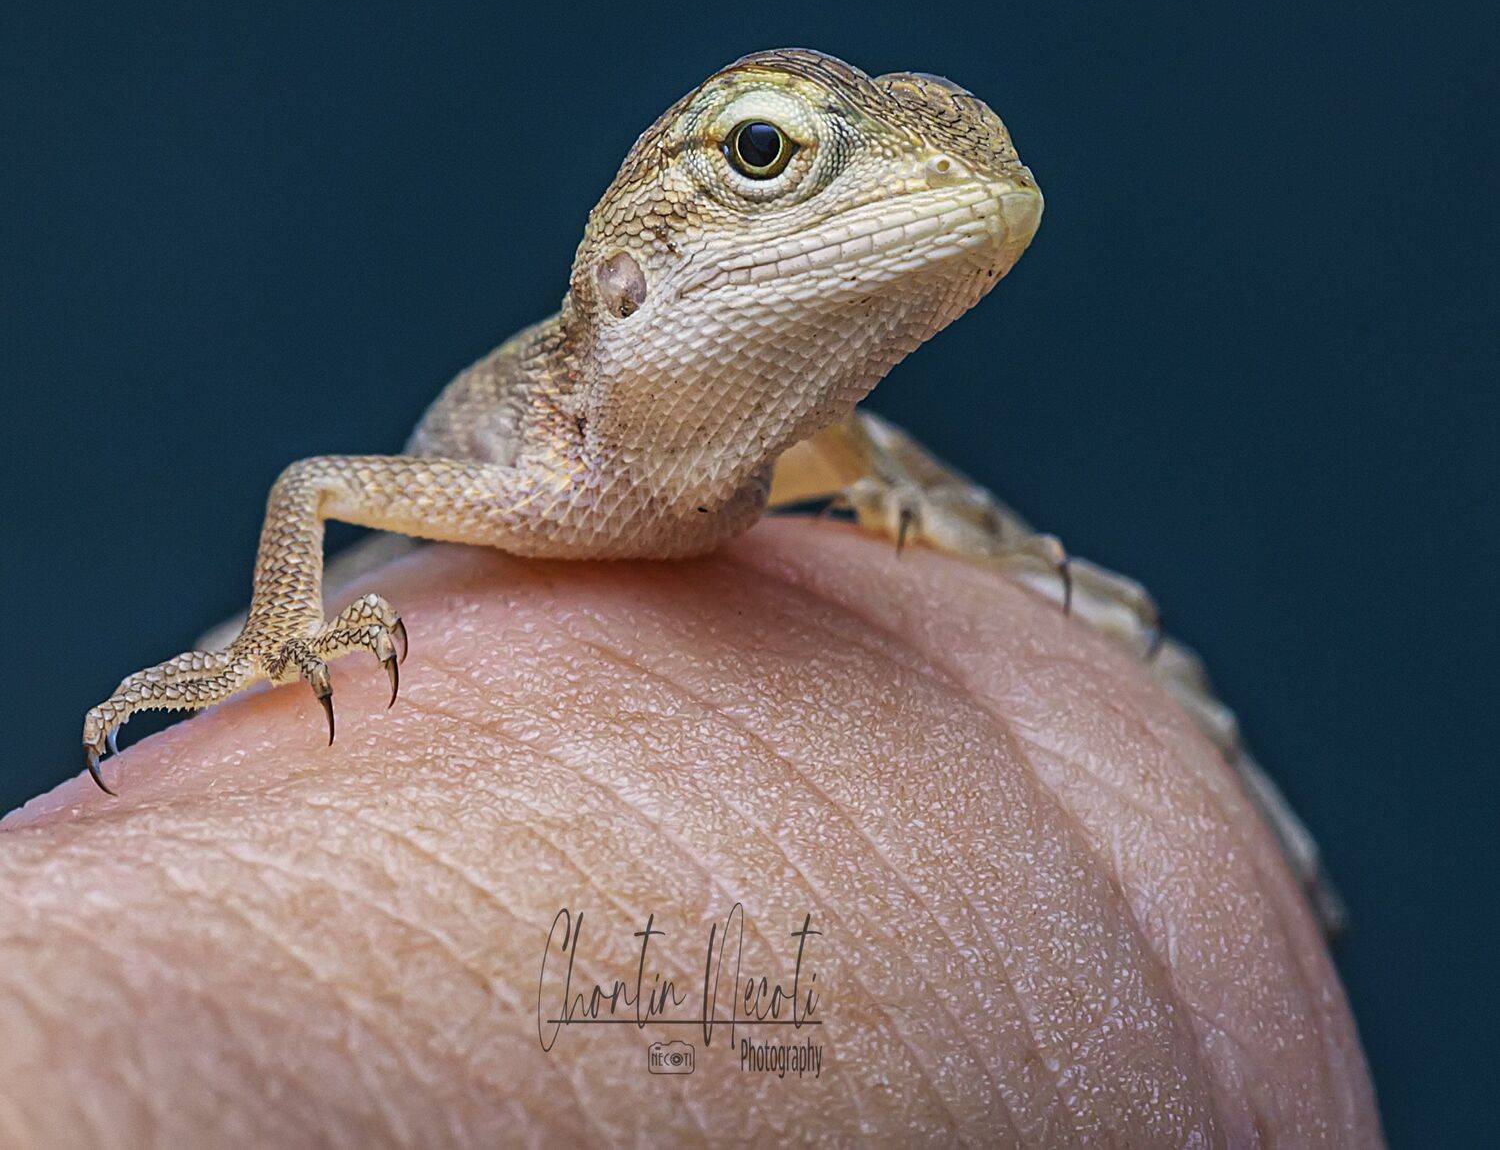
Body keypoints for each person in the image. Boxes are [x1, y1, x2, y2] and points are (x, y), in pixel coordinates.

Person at [0, 518, 1381, 1144]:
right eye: (766, 155)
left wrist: (949, 519)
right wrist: (277, 641)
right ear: (626, 270)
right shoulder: (541, 453)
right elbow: (321, 481)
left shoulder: (761, 457)